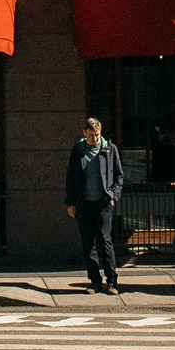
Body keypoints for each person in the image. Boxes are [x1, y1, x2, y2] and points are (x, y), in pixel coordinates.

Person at [63, 117, 126, 294]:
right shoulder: (78, 150)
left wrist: (114, 195)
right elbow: (71, 178)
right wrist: (70, 202)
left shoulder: (109, 149)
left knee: (104, 240)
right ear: (84, 133)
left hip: (104, 202)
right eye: (92, 136)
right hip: (84, 203)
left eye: (98, 135)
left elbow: (119, 176)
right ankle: (95, 281)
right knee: (88, 243)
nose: (96, 139)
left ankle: (112, 281)